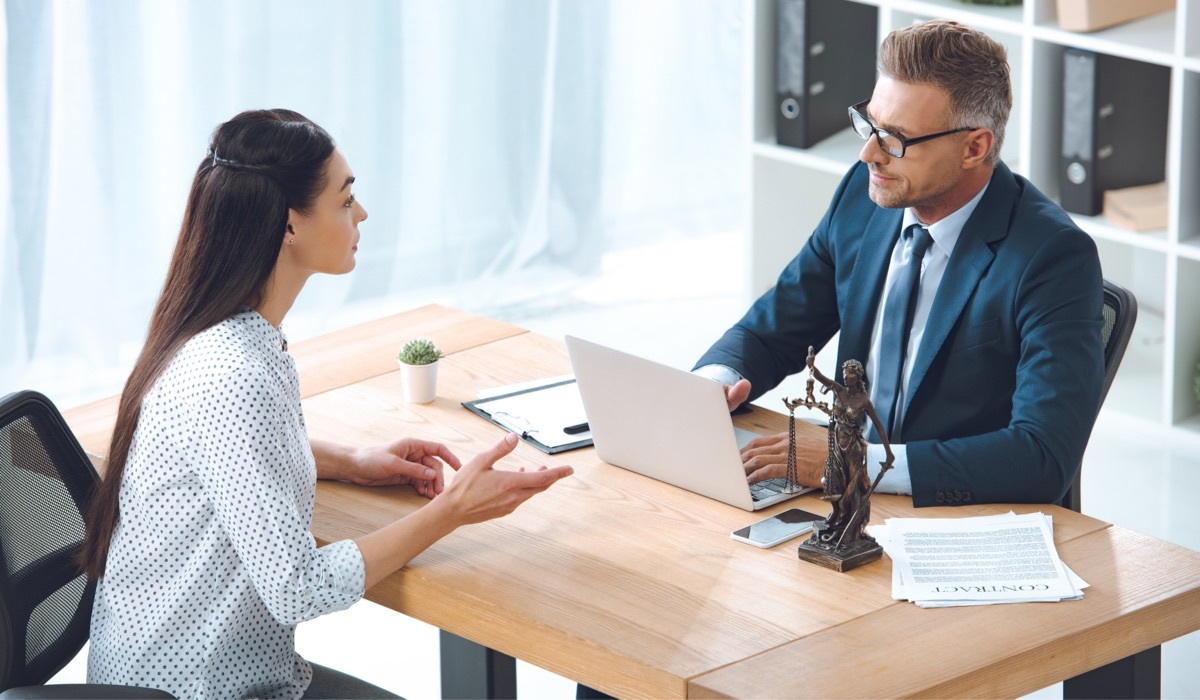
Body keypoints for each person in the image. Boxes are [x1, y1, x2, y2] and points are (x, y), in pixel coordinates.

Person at [78, 109, 574, 699]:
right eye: (345, 200)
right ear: (290, 225)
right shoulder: (231, 375)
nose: (360, 214)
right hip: (200, 692)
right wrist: (452, 511)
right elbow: (298, 587)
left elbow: (225, 454)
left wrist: (351, 459)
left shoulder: (231, 337)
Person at [694, 19, 1105, 508]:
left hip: (956, 515)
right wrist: (707, 391)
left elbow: (1042, 457)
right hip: (845, 500)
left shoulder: (1054, 258)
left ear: (975, 147)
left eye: (896, 139)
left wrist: (850, 461)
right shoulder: (864, 195)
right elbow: (771, 330)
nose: (869, 153)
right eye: (869, 124)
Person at [802, 353, 894, 549]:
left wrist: (889, 452)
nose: (846, 376)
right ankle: (836, 514)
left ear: (858, 376)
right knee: (833, 480)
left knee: (852, 486)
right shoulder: (838, 390)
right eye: (845, 372)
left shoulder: (864, 402)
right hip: (836, 441)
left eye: (850, 373)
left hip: (853, 446)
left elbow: (878, 426)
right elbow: (820, 377)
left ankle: (853, 526)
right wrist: (812, 365)